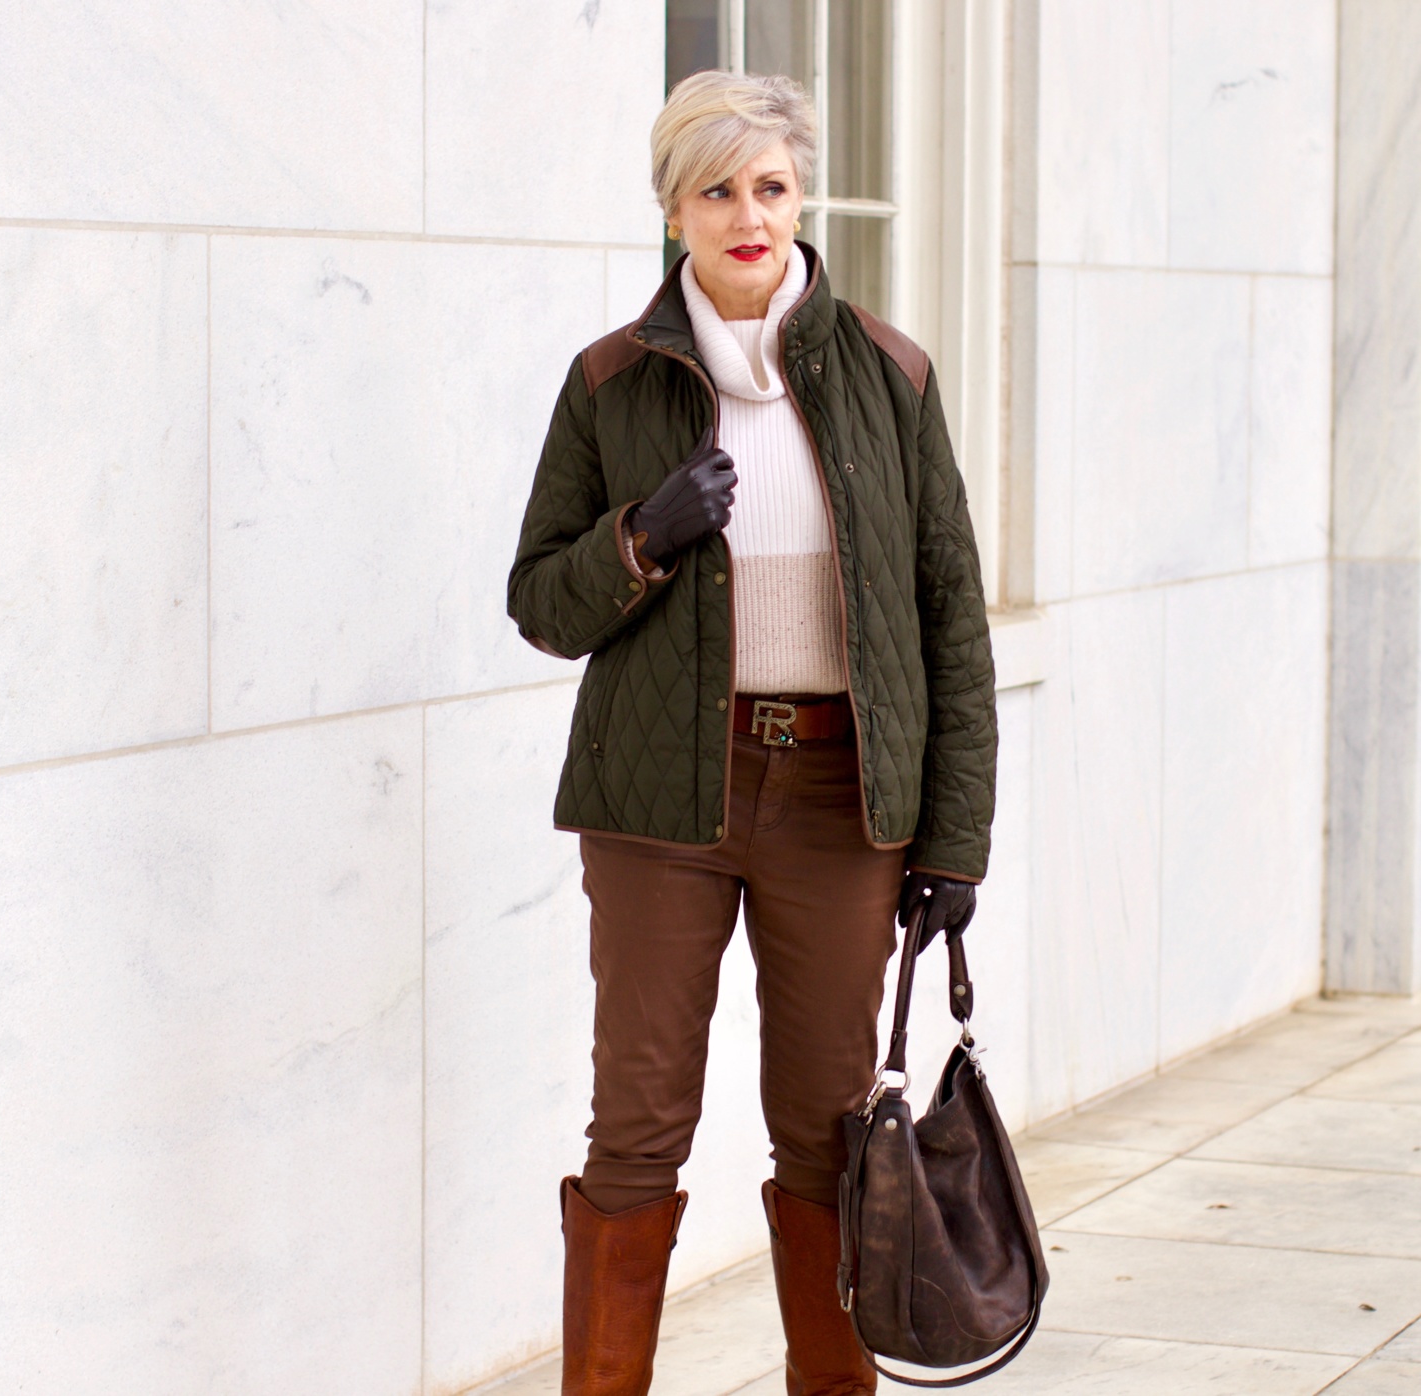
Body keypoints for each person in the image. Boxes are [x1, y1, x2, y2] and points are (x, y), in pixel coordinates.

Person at [507, 68, 996, 1395]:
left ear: (801, 197)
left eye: (769, 186)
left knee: (835, 1136)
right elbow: (541, 605)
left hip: (841, 801)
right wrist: (642, 539)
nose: (747, 214)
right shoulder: (612, 382)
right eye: (715, 189)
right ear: (675, 211)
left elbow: (950, 613)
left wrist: (954, 839)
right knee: (637, 1132)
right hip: (663, 801)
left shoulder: (891, 374)